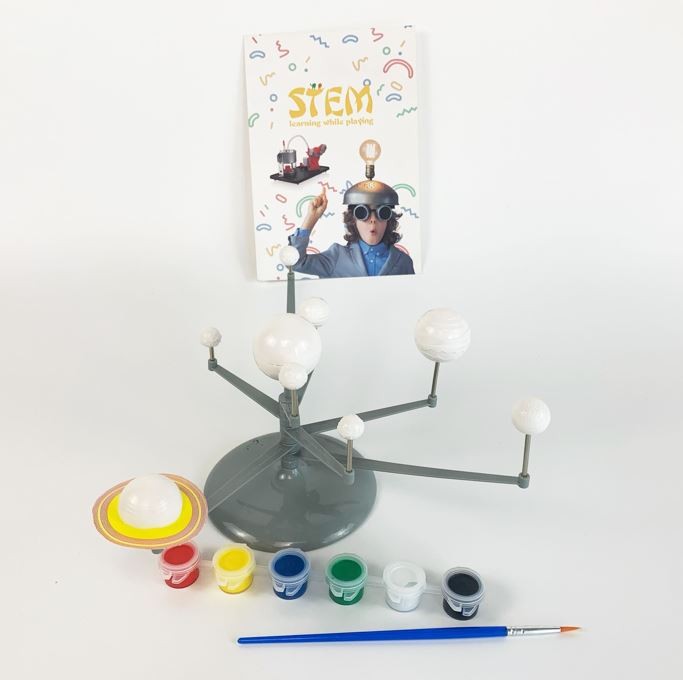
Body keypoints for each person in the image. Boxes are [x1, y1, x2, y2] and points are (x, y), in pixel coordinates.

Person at [288, 187, 415, 278]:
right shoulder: (337, 257)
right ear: (353, 220)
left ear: (389, 220)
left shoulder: (403, 262)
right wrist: (311, 218)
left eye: (382, 213)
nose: (373, 220)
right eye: (362, 213)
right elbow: (295, 262)